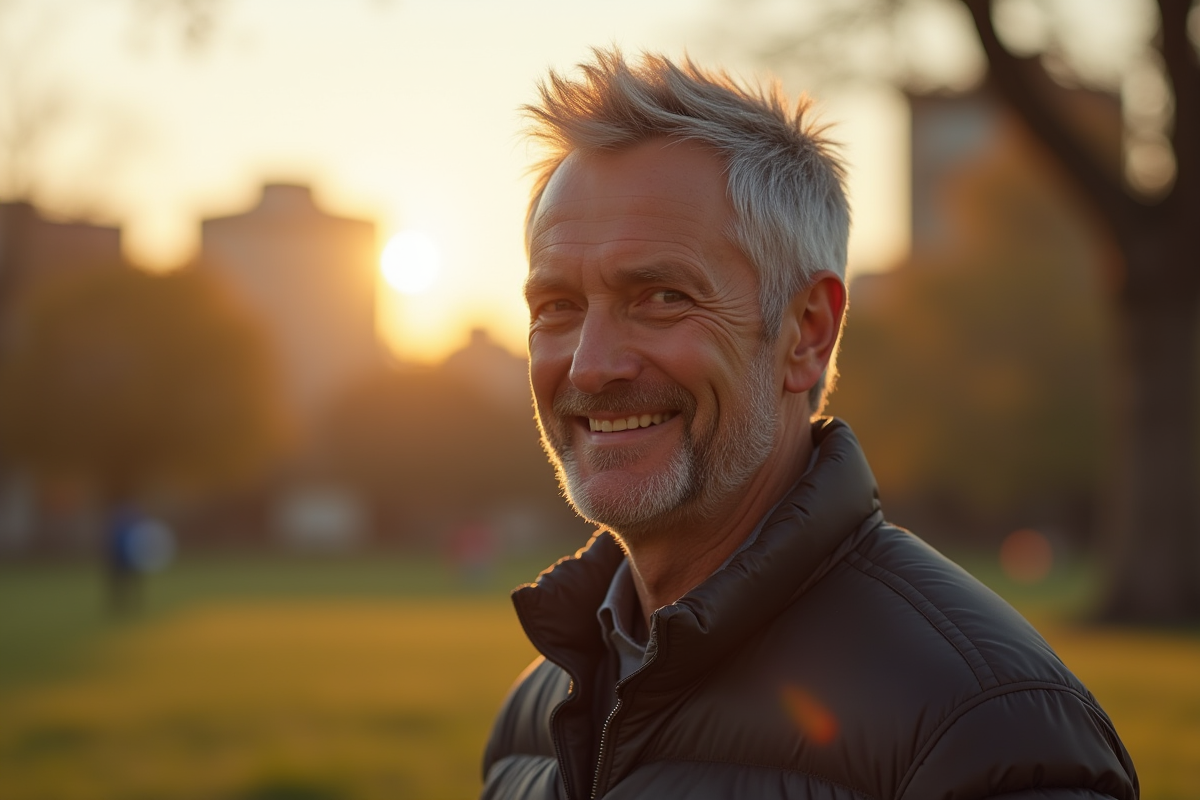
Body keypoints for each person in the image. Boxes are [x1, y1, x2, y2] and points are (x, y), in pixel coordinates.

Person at [481, 49, 1138, 800]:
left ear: (807, 334)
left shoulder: (986, 734)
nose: (591, 366)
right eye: (556, 307)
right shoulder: (532, 721)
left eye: (661, 296)